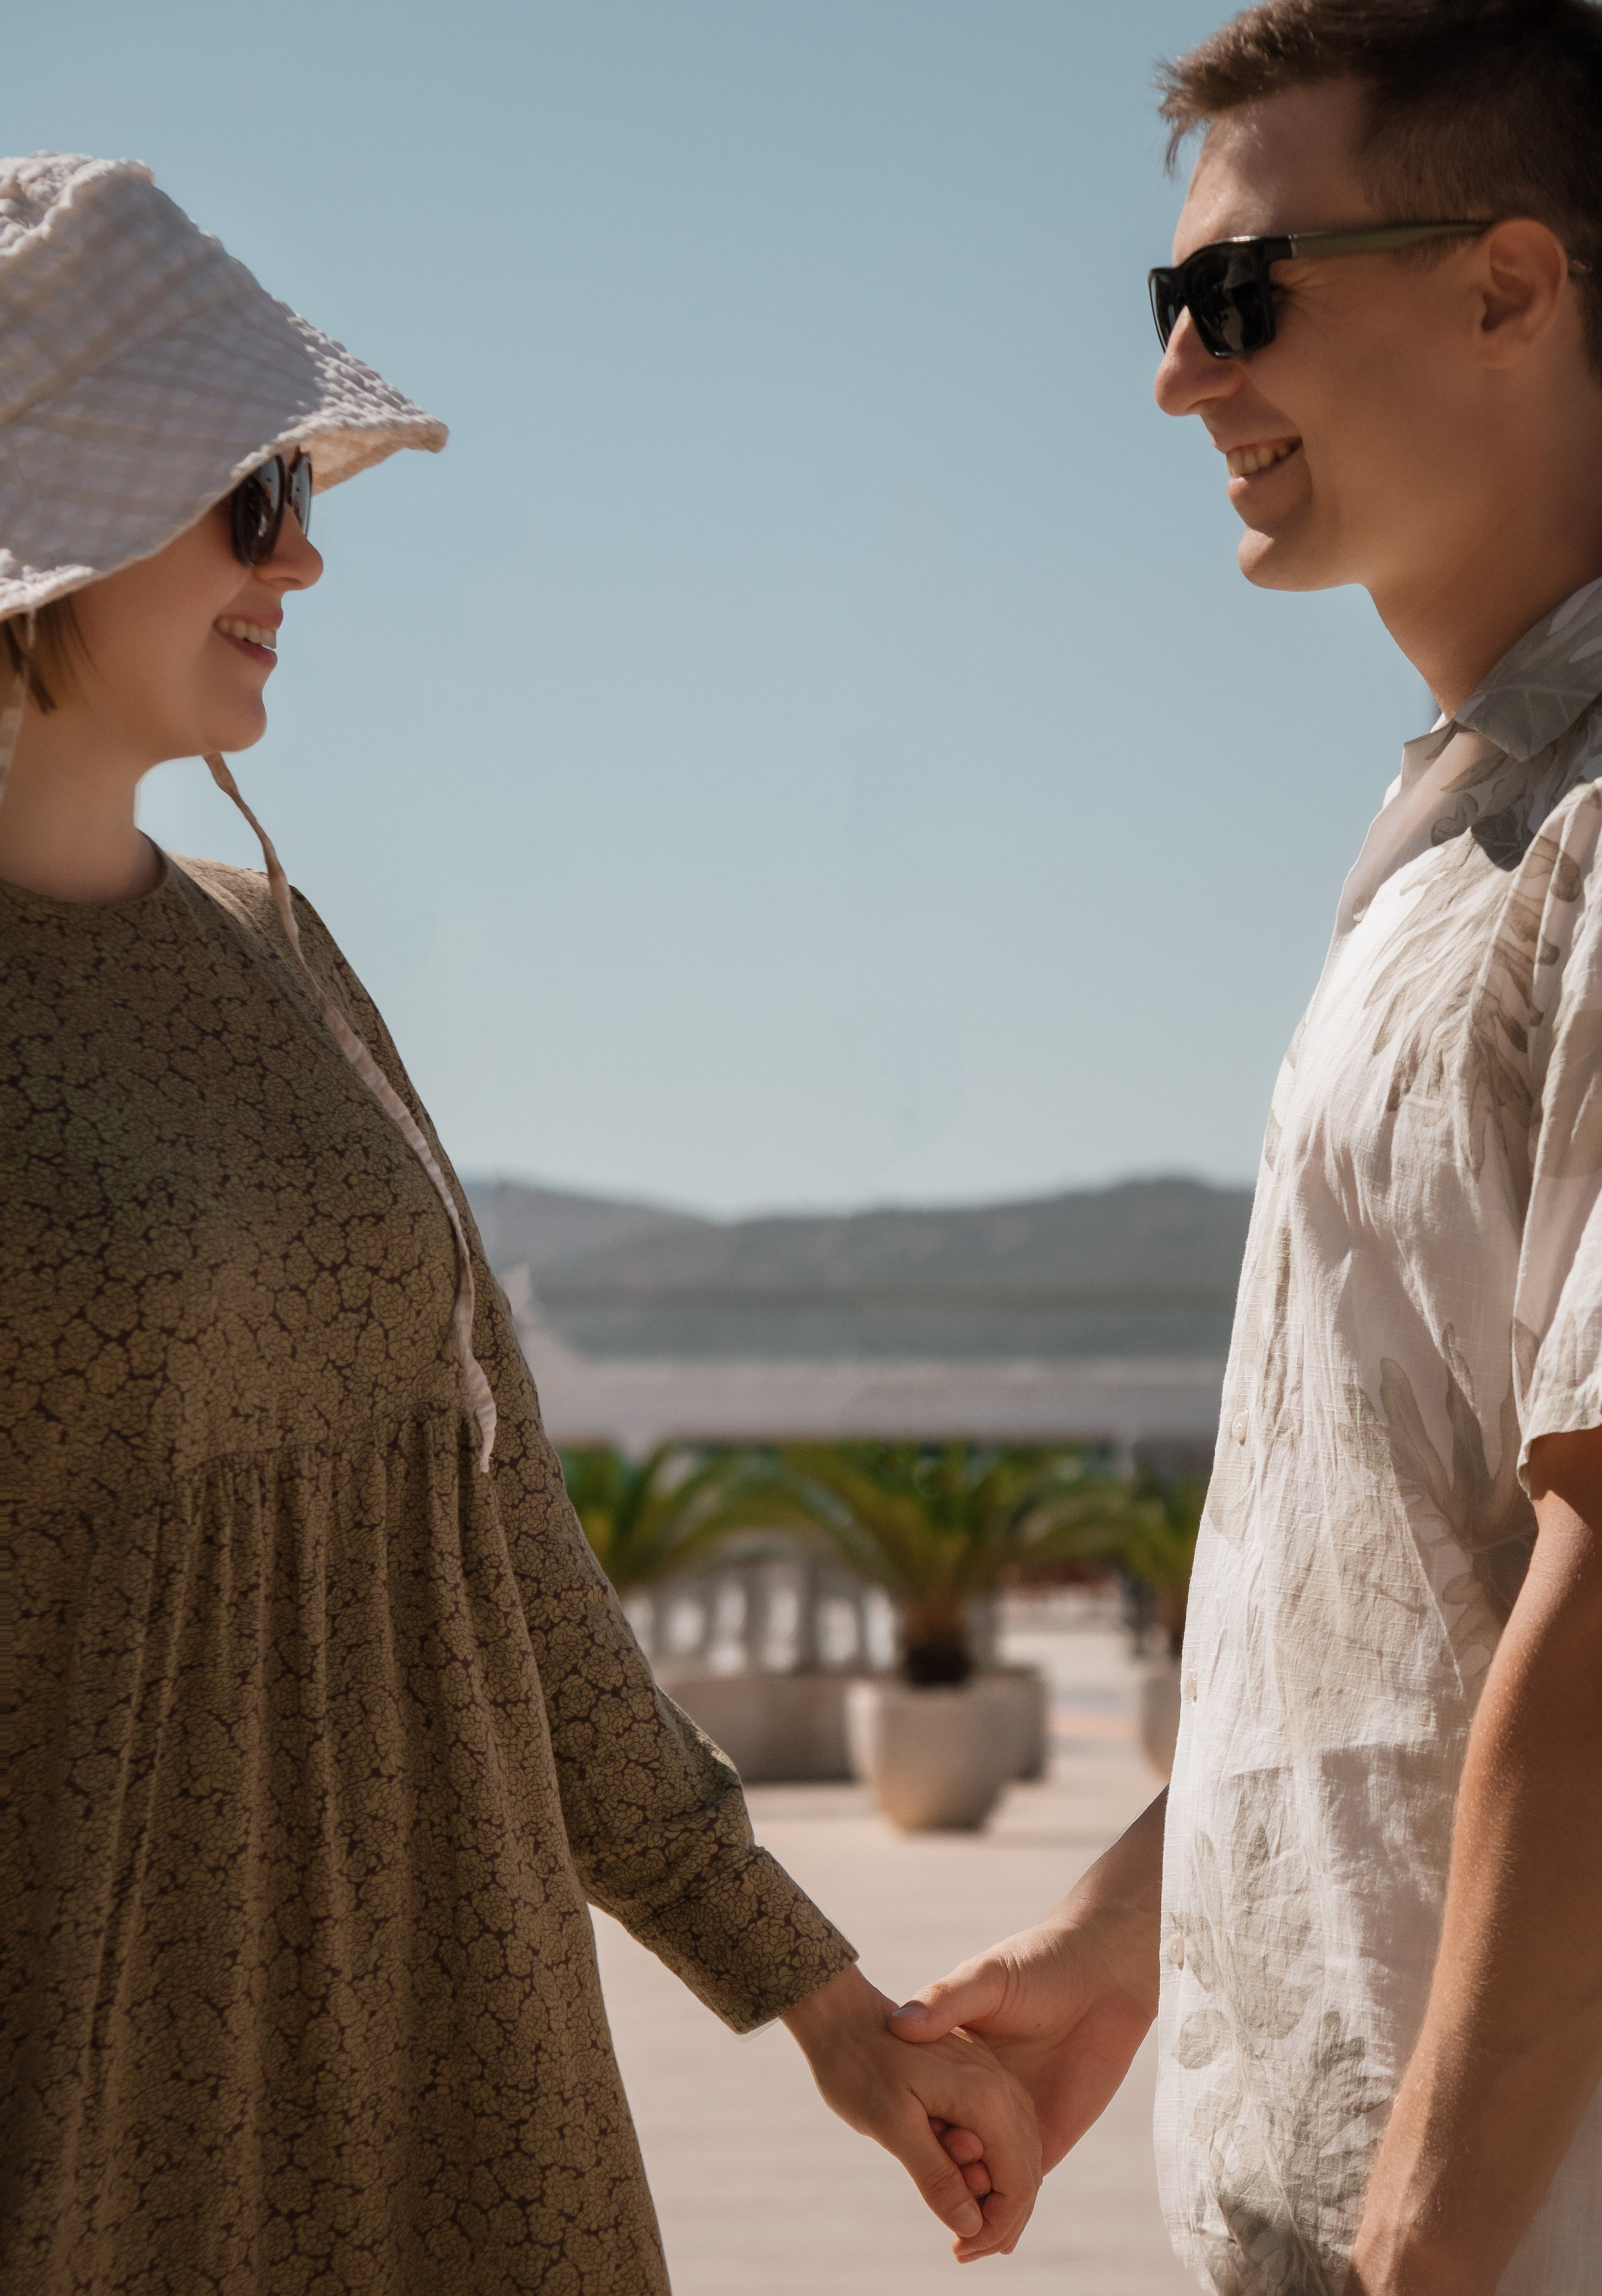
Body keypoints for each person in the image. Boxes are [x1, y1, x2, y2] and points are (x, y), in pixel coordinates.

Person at [0, 152, 1042, 2293]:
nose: (306, 555)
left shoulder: (284, 950)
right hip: (89, 2082)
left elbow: (495, 1527)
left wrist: (820, 2001)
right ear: (57, 517)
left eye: (307, 487)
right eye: (250, 489)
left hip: (450, 2056)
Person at [890, 4, 1602, 2292]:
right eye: (1168, 309)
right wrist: (1136, 1928)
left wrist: (1422, 2247)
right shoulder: (1454, 849)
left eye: (1237, 295)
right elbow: (1426, 1563)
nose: (1182, 380)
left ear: (1509, 288)